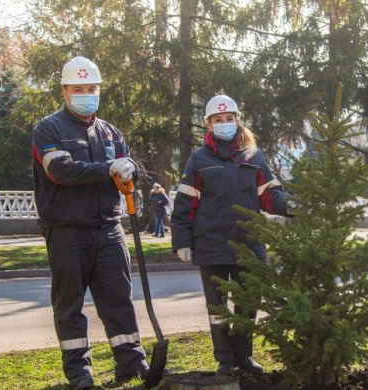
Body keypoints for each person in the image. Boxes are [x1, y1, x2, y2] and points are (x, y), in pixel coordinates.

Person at [31, 56, 149, 390]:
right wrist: (108, 169)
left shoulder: (110, 131)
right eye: (79, 89)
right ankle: (79, 372)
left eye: (92, 88)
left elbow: (127, 171)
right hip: (67, 230)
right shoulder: (48, 128)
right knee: (70, 304)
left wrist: (131, 170)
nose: (86, 94)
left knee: (118, 299)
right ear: (65, 92)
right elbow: (60, 171)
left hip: (110, 228)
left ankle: (130, 361)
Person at [170, 94, 295, 376]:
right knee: (217, 306)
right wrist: (181, 241)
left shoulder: (253, 156)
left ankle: (244, 357)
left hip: (249, 243)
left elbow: (269, 194)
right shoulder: (199, 159)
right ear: (209, 124)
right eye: (218, 120)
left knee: (248, 304)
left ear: (237, 121)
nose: (224, 124)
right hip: (211, 243)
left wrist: (289, 204)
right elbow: (185, 202)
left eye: (229, 119)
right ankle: (224, 360)